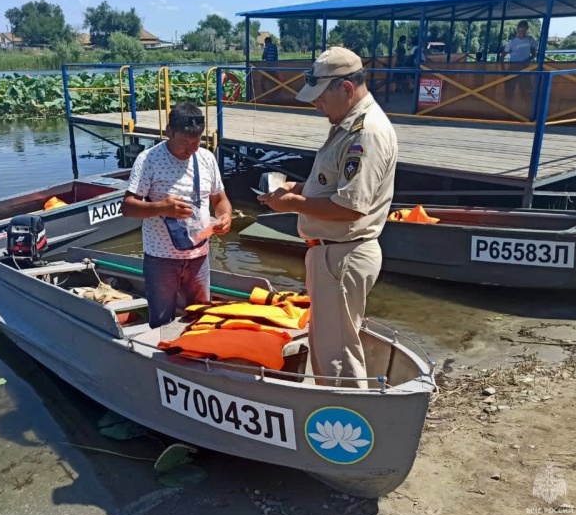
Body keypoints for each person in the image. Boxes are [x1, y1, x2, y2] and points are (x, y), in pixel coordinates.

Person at [258, 46, 398, 389]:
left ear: (347, 88)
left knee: (338, 354)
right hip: (333, 253)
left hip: (344, 252)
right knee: (327, 343)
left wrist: (292, 203)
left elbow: (351, 206)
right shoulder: (348, 125)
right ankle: (332, 413)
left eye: (321, 98)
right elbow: (332, 185)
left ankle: (346, 424)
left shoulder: (365, 133)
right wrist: (295, 186)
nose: (316, 105)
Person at [121, 103, 233, 328]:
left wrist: (225, 217)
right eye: (184, 142)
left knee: (201, 317)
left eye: (196, 142)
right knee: (162, 320)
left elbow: (220, 200)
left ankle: (198, 358)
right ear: (169, 131)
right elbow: (128, 207)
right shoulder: (148, 160)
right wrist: (162, 208)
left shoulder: (207, 158)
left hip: (199, 256)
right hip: (161, 257)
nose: (191, 149)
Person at [499, 20, 538, 99]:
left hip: (526, 67)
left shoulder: (530, 40)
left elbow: (534, 54)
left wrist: (527, 60)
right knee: (510, 88)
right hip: (513, 67)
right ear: (518, 28)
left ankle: (526, 108)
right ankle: (507, 106)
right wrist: (504, 71)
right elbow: (502, 57)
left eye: (524, 27)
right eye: (521, 27)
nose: (522, 29)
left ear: (527, 29)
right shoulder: (512, 42)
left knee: (526, 89)